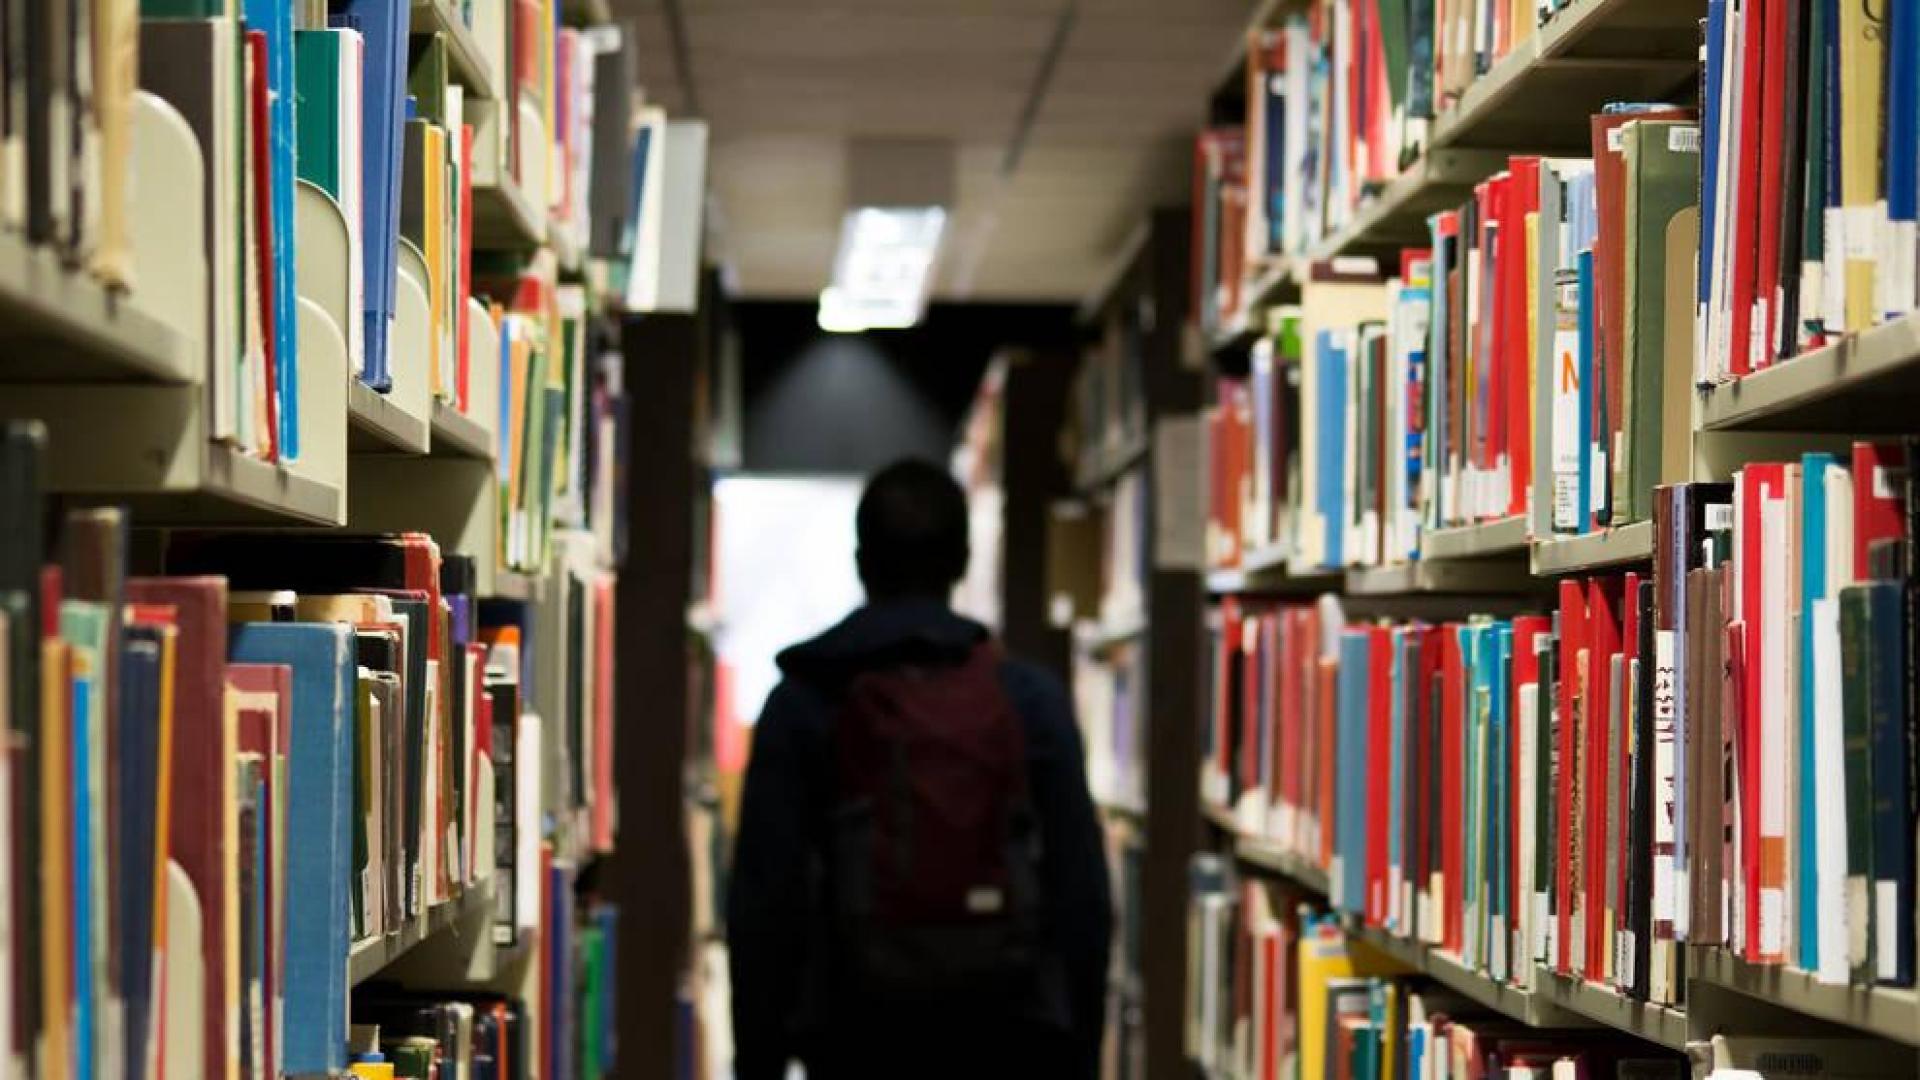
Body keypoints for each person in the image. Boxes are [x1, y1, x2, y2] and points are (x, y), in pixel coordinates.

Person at [728, 458, 1112, 1080]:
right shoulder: (1027, 700)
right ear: (962, 562)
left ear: (861, 562)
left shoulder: (804, 700)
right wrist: (1080, 1053)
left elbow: (763, 903)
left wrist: (759, 1061)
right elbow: (1082, 895)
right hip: (1006, 1033)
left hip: (854, 1036)